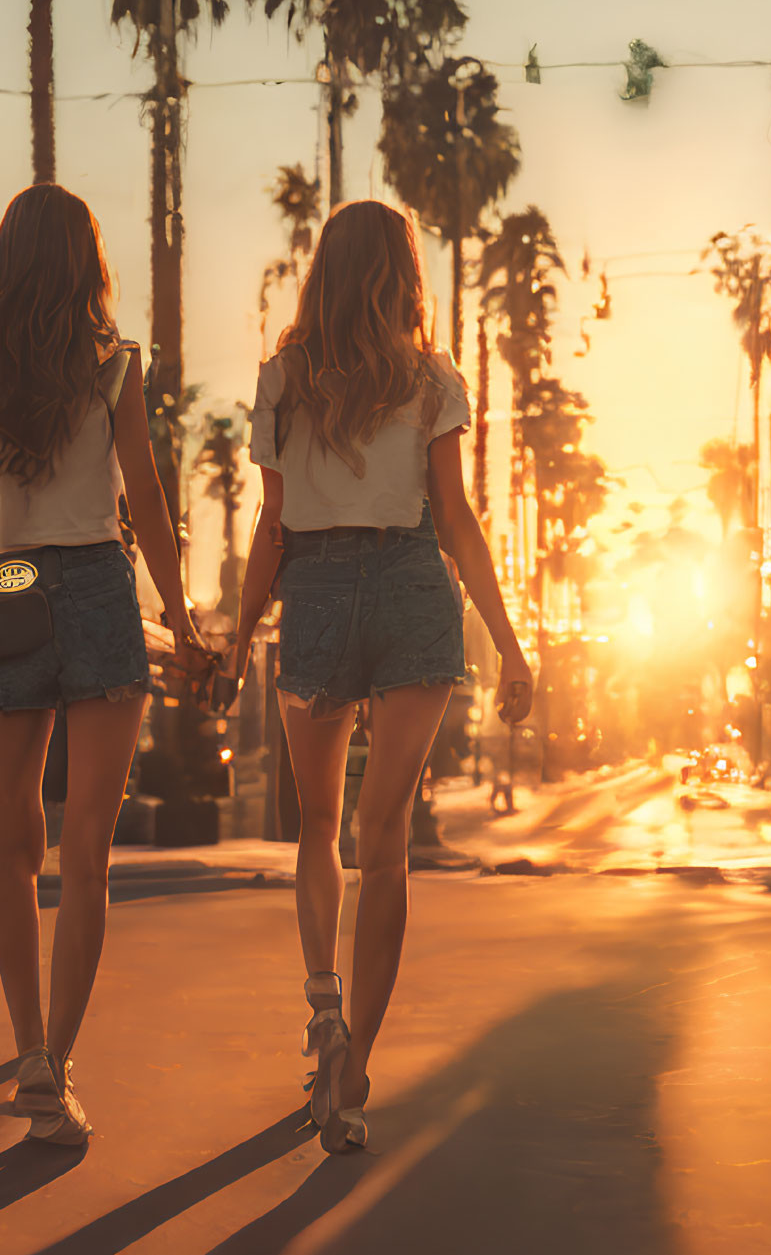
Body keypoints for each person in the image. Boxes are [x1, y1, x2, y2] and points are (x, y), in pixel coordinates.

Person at [225, 199, 532, 1154]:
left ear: (322, 270)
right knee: (384, 835)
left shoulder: (284, 378)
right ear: (402, 273)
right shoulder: (431, 379)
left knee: (317, 822)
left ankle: (324, 1002)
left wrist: (237, 641)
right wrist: (509, 640)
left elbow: (271, 529)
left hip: (313, 589)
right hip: (409, 584)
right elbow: (457, 520)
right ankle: (351, 1069)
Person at [0, 183, 208, 1145]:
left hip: (7, 582)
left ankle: (27, 1055)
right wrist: (179, 615)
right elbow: (146, 495)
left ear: (7, 254)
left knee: (14, 845)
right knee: (87, 848)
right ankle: (61, 1062)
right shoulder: (113, 363)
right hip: (98, 582)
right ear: (87, 259)